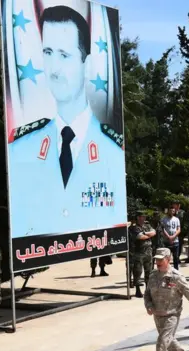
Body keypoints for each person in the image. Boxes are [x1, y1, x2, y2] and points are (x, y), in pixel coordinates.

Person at [7, 5, 126, 238]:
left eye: (64, 55)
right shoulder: (21, 147)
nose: (54, 68)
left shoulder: (112, 150)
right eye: (48, 52)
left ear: (87, 63)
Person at [144, 248, 189, 351]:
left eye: (161, 260)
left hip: (172, 315)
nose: (157, 263)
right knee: (168, 340)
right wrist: (148, 305)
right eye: (156, 260)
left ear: (168, 259)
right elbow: (147, 293)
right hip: (157, 314)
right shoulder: (153, 275)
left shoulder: (176, 276)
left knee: (162, 343)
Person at [129, 211, 156, 298]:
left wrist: (145, 233)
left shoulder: (147, 225)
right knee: (138, 272)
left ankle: (148, 291)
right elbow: (140, 237)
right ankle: (137, 290)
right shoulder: (133, 228)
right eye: (142, 217)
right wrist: (148, 235)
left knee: (149, 272)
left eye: (144, 217)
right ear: (138, 217)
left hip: (148, 252)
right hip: (138, 253)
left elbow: (154, 232)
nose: (144, 218)